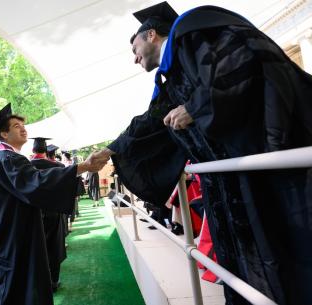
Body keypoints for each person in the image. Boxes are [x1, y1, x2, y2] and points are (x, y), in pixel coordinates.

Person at [96, 2, 312, 304]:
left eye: (134, 49)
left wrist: (197, 108)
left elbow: (242, 66)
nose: (134, 60)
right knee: (248, 264)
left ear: (152, 35)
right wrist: (111, 149)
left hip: (272, 164)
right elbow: (149, 124)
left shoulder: (198, 28)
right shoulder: (171, 78)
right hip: (233, 184)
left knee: (290, 252)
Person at [0, 104, 107, 305]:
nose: (23, 128)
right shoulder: (7, 160)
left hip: (5, 234)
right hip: (16, 238)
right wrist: (82, 167)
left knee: (9, 287)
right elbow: (37, 182)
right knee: (20, 289)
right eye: (15, 126)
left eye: (22, 124)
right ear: (3, 134)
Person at [30, 137, 70, 292]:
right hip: (53, 213)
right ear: (45, 150)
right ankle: (53, 281)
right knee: (53, 247)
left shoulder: (25, 166)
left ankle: (38, 283)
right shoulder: (58, 166)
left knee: (36, 247)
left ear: (33, 150)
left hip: (33, 214)